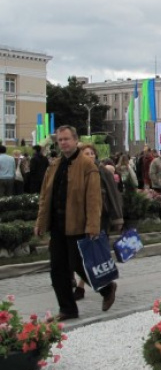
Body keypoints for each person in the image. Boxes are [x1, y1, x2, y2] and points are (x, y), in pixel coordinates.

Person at [34, 126, 117, 321]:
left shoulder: (87, 165)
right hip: (57, 225)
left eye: (67, 139)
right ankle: (67, 309)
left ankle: (107, 288)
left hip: (78, 225)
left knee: (80, 265)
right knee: (58, 270)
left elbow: (94, 198)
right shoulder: (54, 165)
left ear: (75, 140)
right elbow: (45, 197)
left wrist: (93, 226)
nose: (63, 143)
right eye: (60, 140)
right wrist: (40, 222)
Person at [73, 144, 124, 300]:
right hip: (79, 219)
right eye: (86, 153)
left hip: (101, 218)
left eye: (92, 153)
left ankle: (82, 287)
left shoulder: (103, 172)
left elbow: (113, 195)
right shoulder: (77, 172)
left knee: (93, 253)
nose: (90, 156)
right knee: (81, 253)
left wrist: (118, 218)